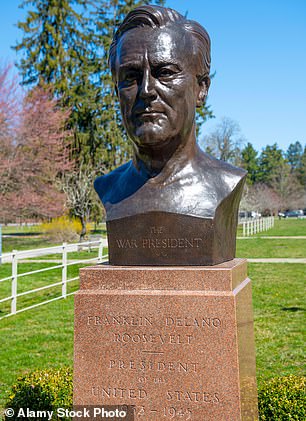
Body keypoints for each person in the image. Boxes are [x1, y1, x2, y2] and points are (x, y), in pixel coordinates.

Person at [94, 5, 246, 222]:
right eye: (131, 77)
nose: (146, 90)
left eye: (165, 73)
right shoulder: (108, 189)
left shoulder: (226, 183)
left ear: (201, 89)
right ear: (117, 91)